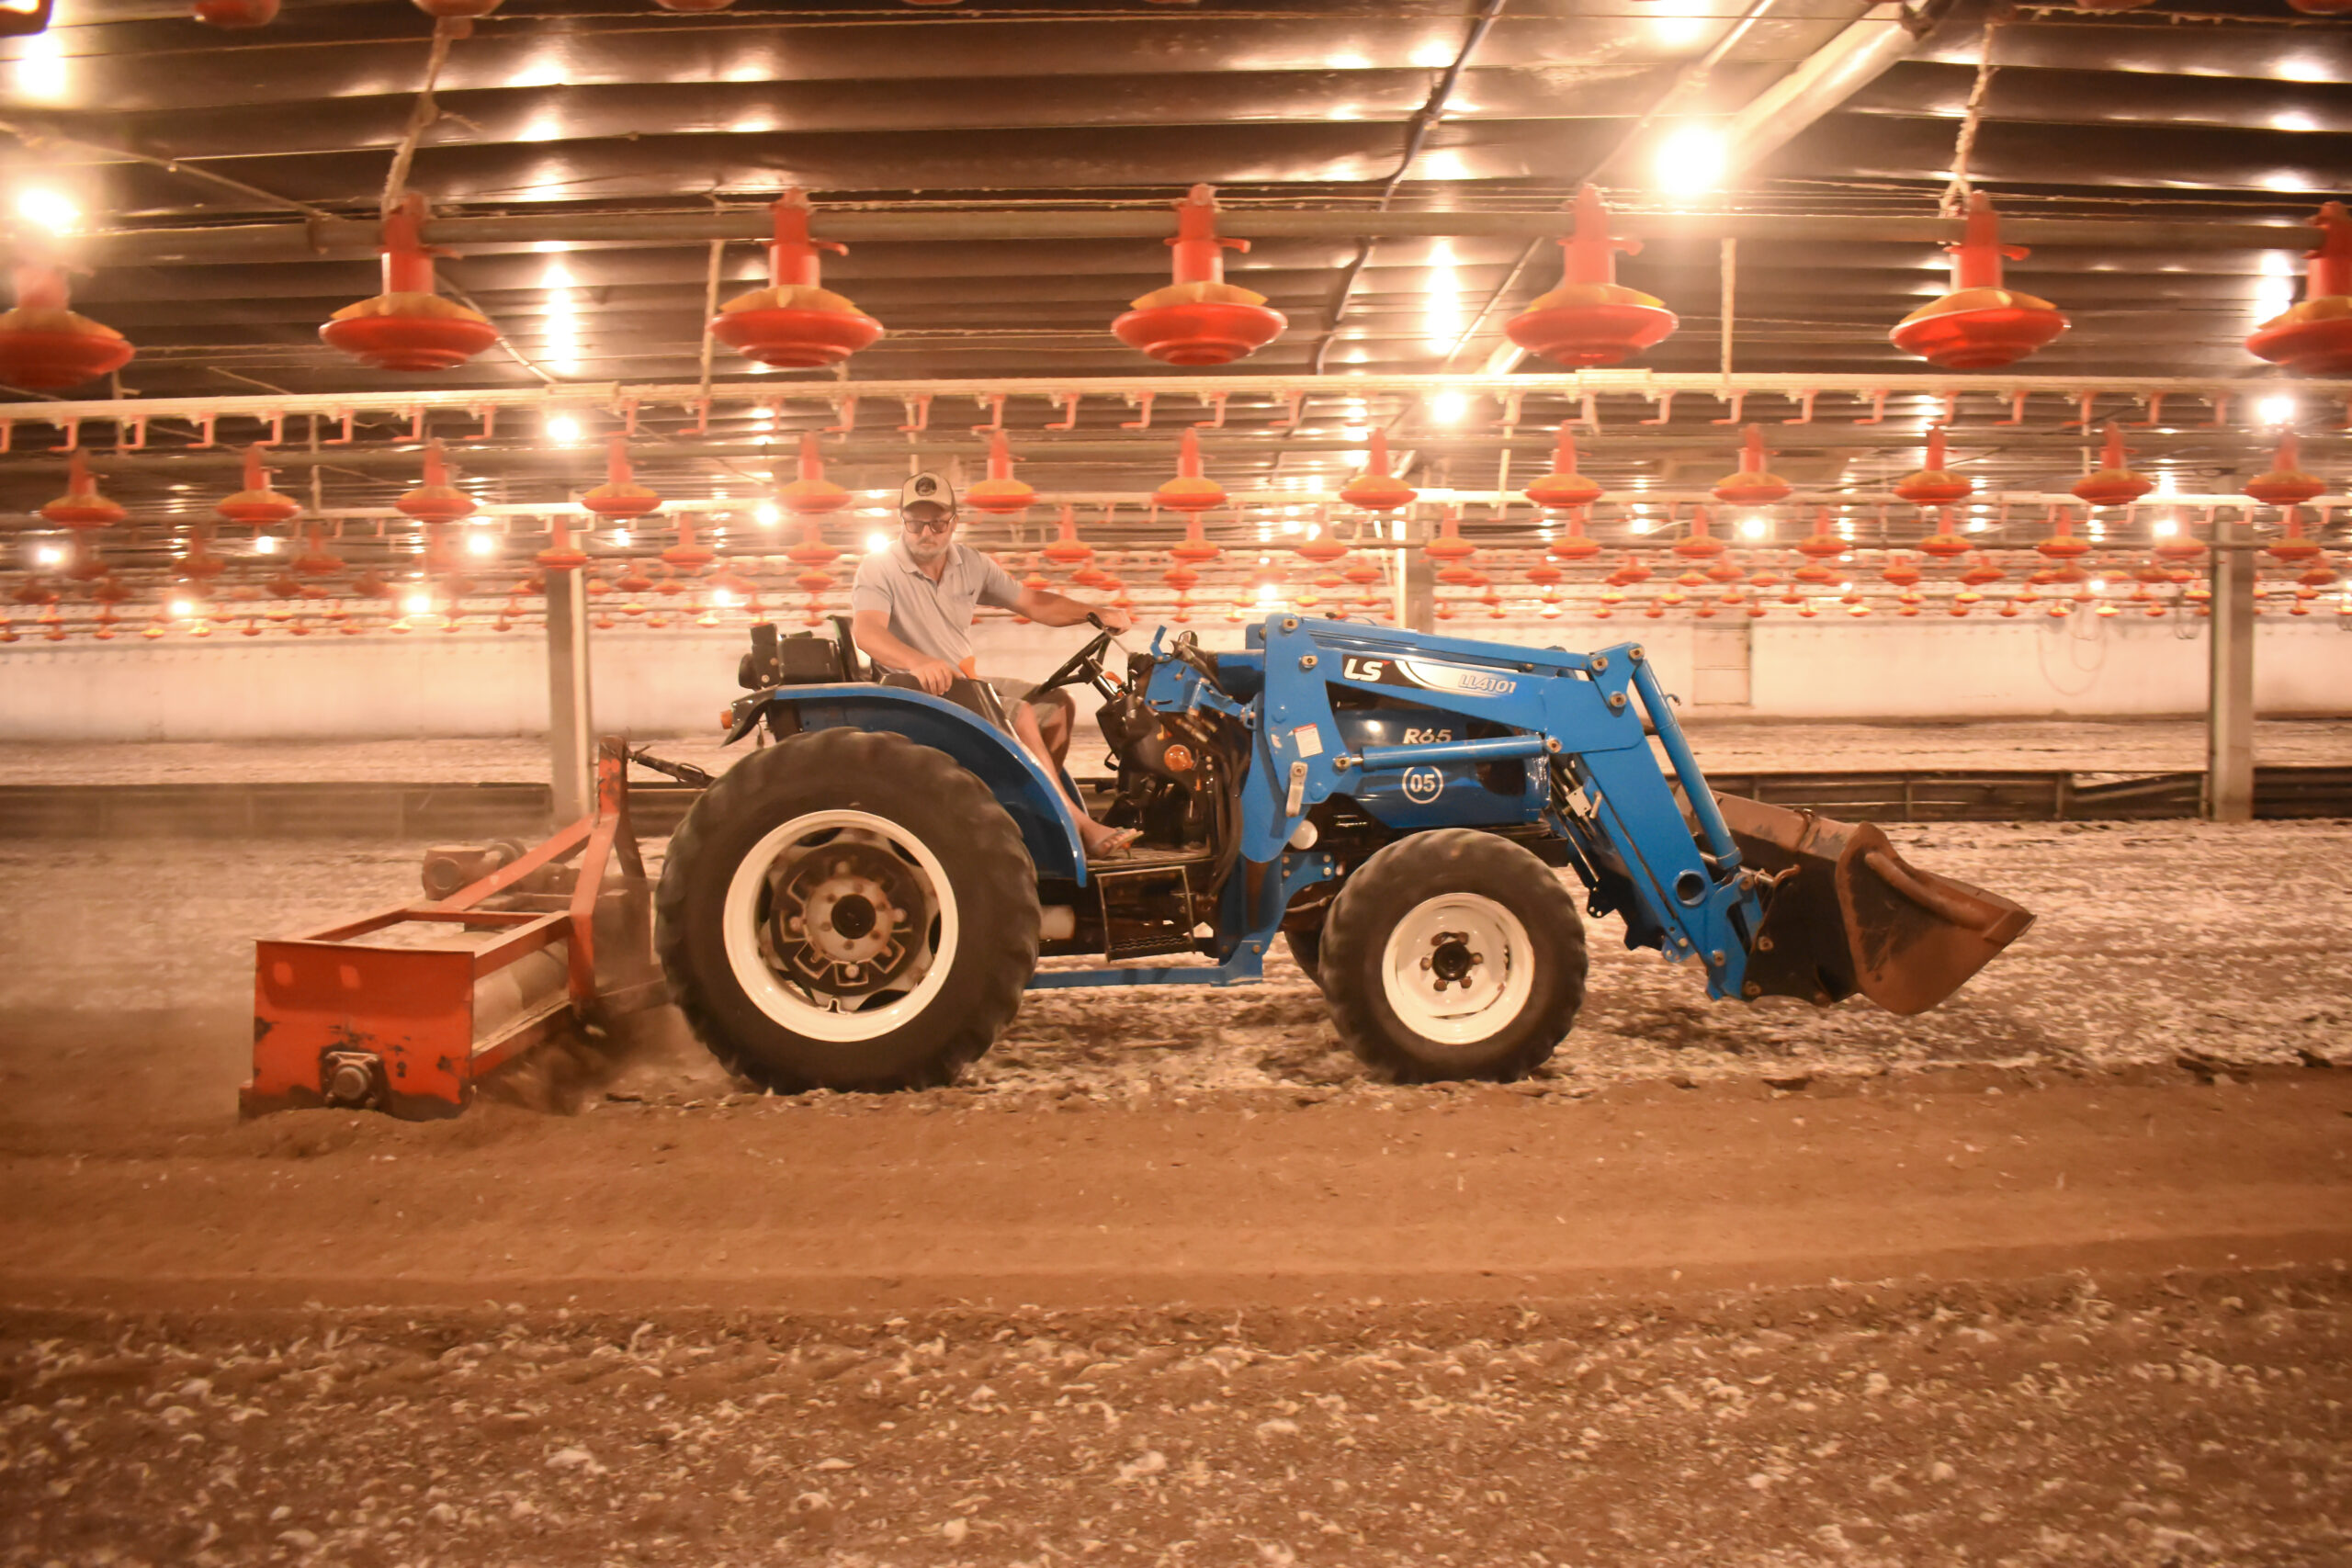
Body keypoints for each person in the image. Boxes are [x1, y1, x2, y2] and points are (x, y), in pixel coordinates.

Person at [849, 470, 1141, 860]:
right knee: (1019, 715)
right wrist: (918, 662)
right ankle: (1078, 826)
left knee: (1055, 706)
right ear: (902, 520)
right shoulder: (879, 567)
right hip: (913, 687)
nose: (926, 532)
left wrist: (1096, 611)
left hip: (960, 679)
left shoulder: (971, 565)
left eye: (937, 522)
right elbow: (867, 632)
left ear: (953, 522)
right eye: (915, 522)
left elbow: (1034, 603)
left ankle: (1033, 809)